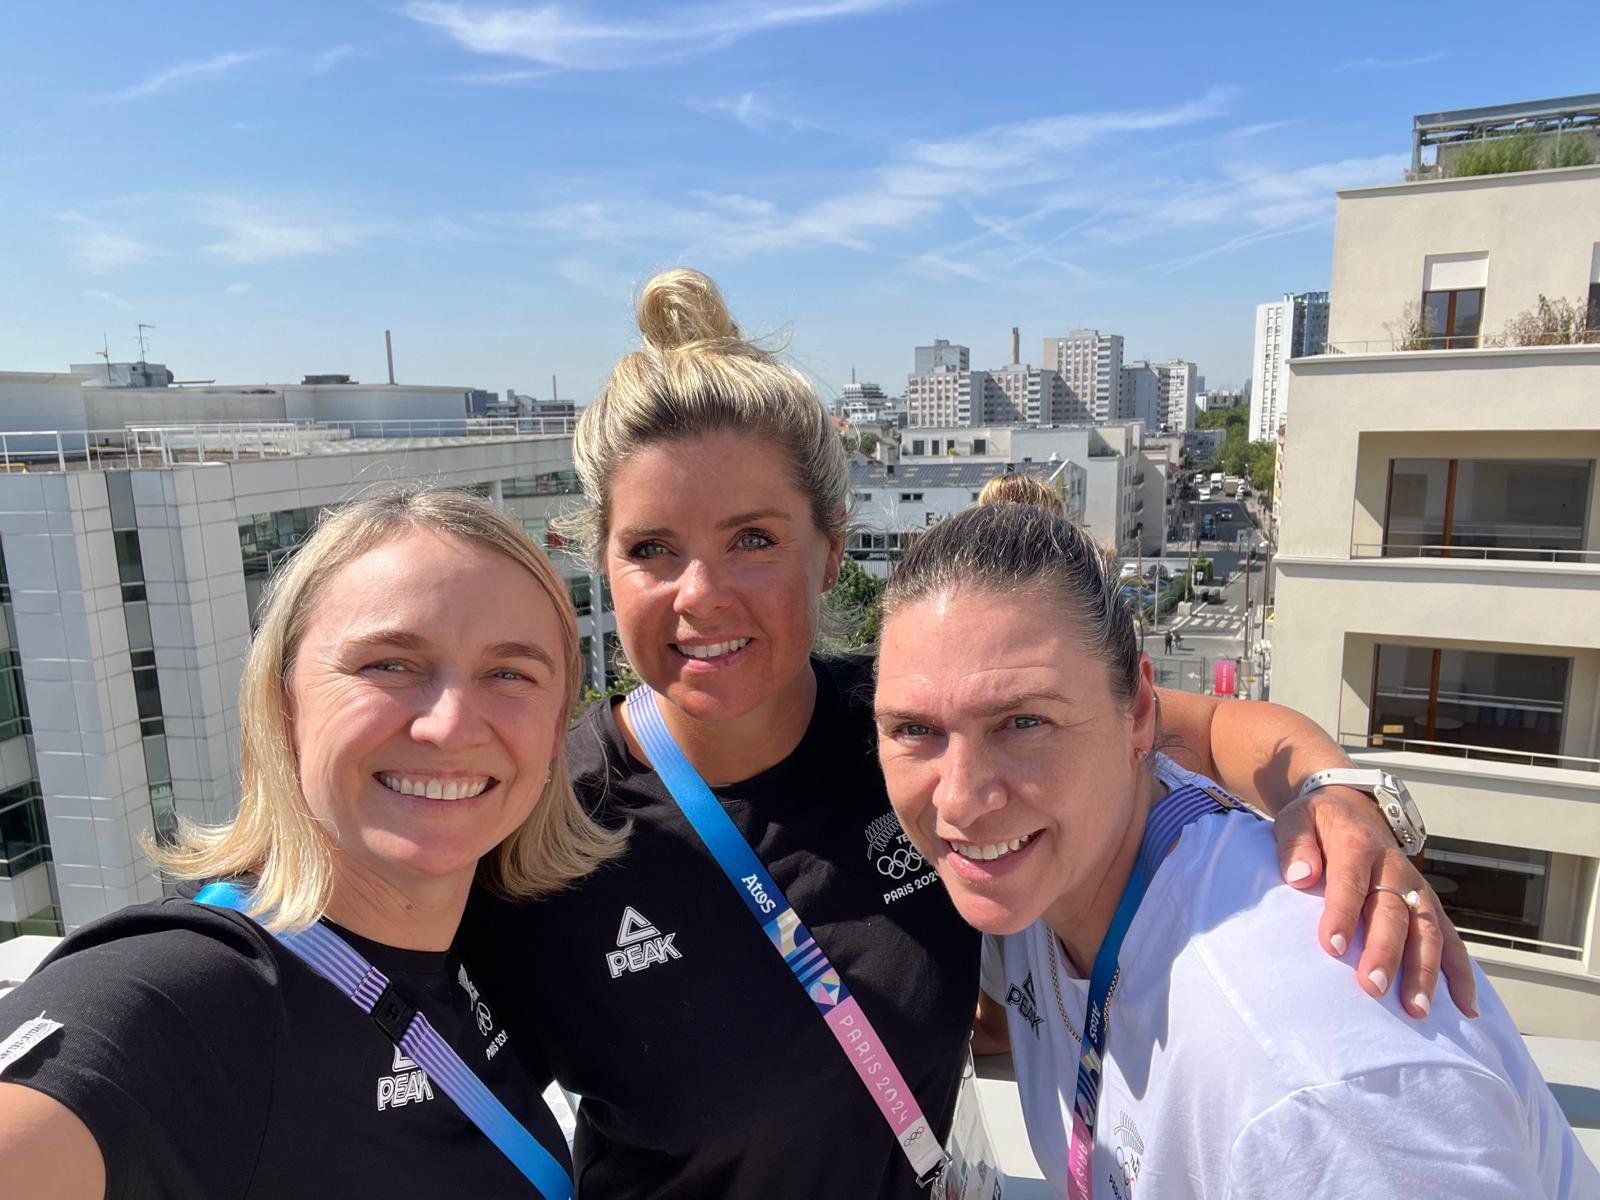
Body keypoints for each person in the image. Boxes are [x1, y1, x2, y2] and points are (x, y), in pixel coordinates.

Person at [468, 268, 1478, 1199]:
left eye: (752, 540)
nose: (702, 595)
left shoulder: (918, 727)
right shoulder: (542, 817)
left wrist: (1332, 797)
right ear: (600, 563)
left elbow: (1209, 726)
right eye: (652, 549)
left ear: (829, 548)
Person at [873, 501, 1597, 1198]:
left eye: (1024, 722)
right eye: (912, 730)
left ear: (1141, 715)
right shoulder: (1050, 878)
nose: (959, 800)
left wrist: (1337, 790)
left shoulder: (1307, 1078)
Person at [0, 489, 619, 1198]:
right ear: (284, 698)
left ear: (553, 729)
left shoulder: (484, 954)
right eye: (390, 663)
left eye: (510, 673)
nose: (451, 726)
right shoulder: (189, 994)